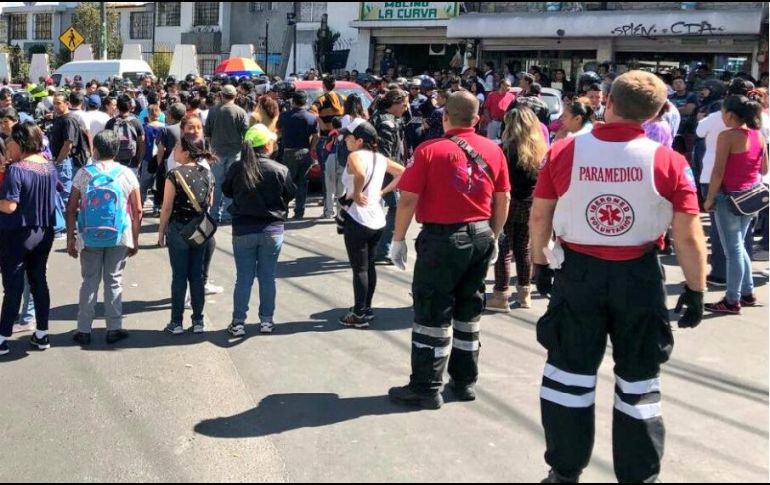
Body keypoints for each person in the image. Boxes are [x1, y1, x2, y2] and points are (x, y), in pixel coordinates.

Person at [530, 71, 707, 483]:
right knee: (639, 381)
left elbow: (541, 215)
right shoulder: (669, 160)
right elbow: (688, 235)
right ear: (658, 112)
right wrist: (696, 290)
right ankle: (640, 475)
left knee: (568, 376)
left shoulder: (565, 151)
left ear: (606, 101)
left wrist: (540, 263)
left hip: (578, 274)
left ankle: (564, 469)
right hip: (639, 275)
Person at [387, 91, 511, 410]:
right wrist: (494, 236)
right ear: (477, 118)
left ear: (445, 117)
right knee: (468, 311)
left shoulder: (430, 150)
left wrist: (398, 238)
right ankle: (464, 380)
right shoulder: (493, 151)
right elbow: (503, 199)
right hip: (481, 233)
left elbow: (409, 199)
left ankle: (426, 386)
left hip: (443, 239)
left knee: (432, 311)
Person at [66, 130, 142, 346]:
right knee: (114, 280)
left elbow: (71, 208)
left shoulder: (84, 173)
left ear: (95, 150)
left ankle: (83, 330)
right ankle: (114, 328)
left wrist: (71, 237)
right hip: (119, 235)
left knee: (89, 281)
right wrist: (135, 240)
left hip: (89, 236)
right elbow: (137, 210)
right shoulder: (126, 173)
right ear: (117, 150)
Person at [224, 125, 296, 337]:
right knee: (268, 277)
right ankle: (267, 320)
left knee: (243, 278)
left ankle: (238, 322)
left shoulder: (237, 168)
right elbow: (290, 193)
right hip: (272, 229)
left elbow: (226, 190)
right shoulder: (279, 169)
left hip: (243, 229)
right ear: (267, 145)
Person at [703, 95, 768, 314]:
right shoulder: (758, 135)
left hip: (729, 198)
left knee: (734, 250)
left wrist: (710, 198)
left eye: (722, 112)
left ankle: (732, 300)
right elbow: (764, 169)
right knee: (739, 246)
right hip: (751, 197)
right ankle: (747, 293)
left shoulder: (727, 136)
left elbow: (718, 171)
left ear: (730, 115)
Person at [338, 119, 405, 327]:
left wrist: (357, 193)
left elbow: (359, 173)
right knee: (369, 266)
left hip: (357, 218)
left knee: (359, 268)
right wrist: (383, 192)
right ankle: (365, 308)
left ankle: (358, 314)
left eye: (348, 137)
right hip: (377, 218)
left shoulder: (355, 155)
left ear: (359, 140)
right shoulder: (380, 158)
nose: (346, 140)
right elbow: (403, 172)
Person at [0, 123, 59, 356]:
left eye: (11, 142)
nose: (8, 146)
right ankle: (42, 333)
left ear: (20, 142)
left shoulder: (17, 170)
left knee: (13, 286)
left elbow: (10, 205)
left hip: (17, 232)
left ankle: (3, 337)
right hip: (44, 232)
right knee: (38, 281)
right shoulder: (49, 167)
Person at [487, 106, 547, 312]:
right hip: (531, 203)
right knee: (524, 249)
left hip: (508, 202)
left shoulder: (505, 150)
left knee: (503, 248)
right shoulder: (541, 150)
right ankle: (524, 294)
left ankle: (501, 295)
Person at [157, 135, 216, 335]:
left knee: (179, 277)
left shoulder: (174, 175)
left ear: (186, 151)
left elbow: (166, 207)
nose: (174, 150)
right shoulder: (208, 173)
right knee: (197, 277)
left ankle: (176, 322)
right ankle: (198, 320)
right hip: (200, 230)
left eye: (177, 147)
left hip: (178, 229)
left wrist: (161, 231)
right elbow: (211, 202)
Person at [371, 89, 408, 264]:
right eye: (403, 104)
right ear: (394, 103)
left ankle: (375, 247)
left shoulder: (381, 116)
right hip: (387, 173)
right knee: (397, 207)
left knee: (377, 208)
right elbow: (386, 154)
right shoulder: (387, 123)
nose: (405, 108)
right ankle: (381, 249)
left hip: (380, 171)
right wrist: (398, 171)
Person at [204, 85, 249, 224]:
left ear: (222, 96)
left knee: (217, 184)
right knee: (232, 183)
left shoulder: (213, 111)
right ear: (235, 96)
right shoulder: (241, 112)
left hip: (217, 152)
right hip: (235, 152)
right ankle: (228, 214)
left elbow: (207, 132)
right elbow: (246, 133)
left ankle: (214, 213)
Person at [277, 91, 319, 220]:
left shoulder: (284, 116)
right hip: (304, 151)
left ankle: (284, 211)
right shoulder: (311, 117)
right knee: (302, 184)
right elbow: (316, 136)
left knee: (286, 183)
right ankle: (299, 212)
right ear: (306, 101)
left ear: (293, 101)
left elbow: (278, 132)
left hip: (288, 152)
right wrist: (311, 148)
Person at [105, 94, 145, 175]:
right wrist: (139, 161)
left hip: (114, 164)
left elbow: (106, 143)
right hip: (132, 163)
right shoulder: (136, 122)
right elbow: (142, 143)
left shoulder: (111, 123)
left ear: (117, 107)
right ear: (130, 107)